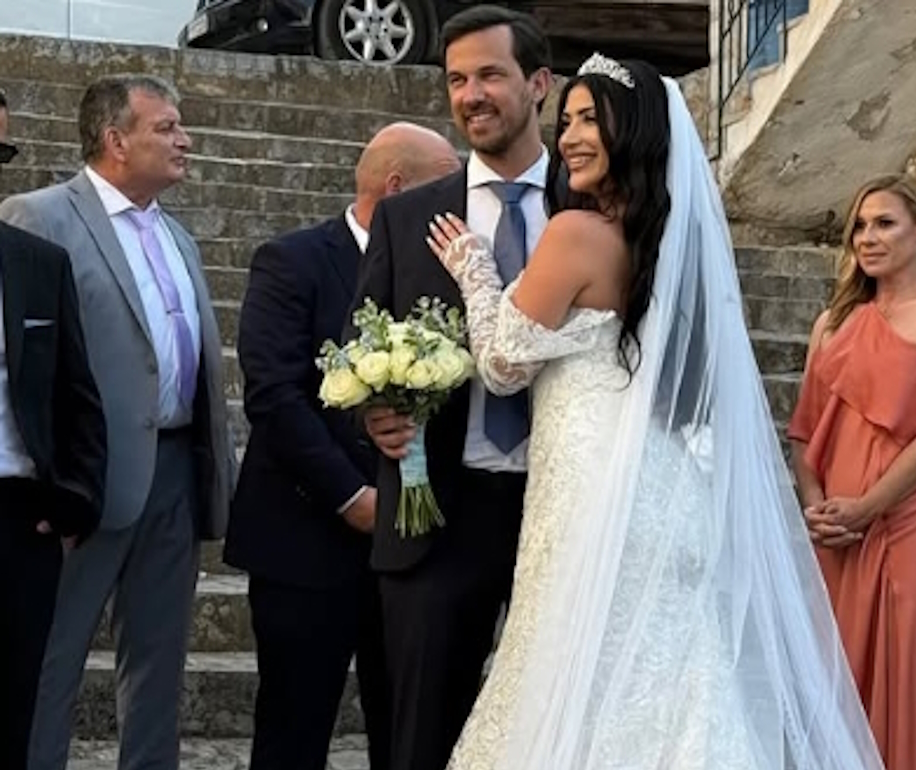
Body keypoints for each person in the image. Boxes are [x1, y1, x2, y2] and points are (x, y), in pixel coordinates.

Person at [424, 54, 883, 770]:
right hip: (666, 491)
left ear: (632, 132)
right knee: (674, 684)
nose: (570, 136)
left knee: (580, 679)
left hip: (595, 493)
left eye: (589, 120)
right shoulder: (669, 244)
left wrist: (474, 269)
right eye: (567, 120)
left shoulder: (575, 234)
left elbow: (505, 364)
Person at [0, 74, 234, 770]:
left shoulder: (178, 235)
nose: (185, 140)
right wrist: (54, 479)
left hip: (175, 469)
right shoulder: (38, 216)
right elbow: (25, 360)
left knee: (159, 662)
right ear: (115, 140)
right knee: (50, 658)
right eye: (166, 127)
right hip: (84, 480)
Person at [347, 7, 552, 769]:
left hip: (565, 508)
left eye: (490, 74)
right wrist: (374, 413)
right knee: (423, 741)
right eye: (457, 80)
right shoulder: (407, 219)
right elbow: (360, 346)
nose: (471, 95)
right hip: (436, 516)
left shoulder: (593, 206)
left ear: (539, 83)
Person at [225, 121, 460, 770]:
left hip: (411, 551)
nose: (461, 206)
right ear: (398, 188)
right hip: (306, 540)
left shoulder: (445, 274)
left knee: (407, 737)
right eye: (447, 188)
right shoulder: (292, 261)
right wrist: (351, 497)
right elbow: (274, 395)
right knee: (293, 735)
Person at [787, 174, 916, 770]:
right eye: (860, 227)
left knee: (908, 668)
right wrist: (818, 509)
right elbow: (804, 433)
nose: (867, 237)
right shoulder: (831, 324)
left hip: (913, 518)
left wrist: (868, 508)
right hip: (836, 526)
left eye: (885, 223)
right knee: (836, 668)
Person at [0, 91, 107, 770]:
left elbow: (76, 391)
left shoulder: (37, 262)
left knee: (12, 711)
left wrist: (76, 497)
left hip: (15, 521)